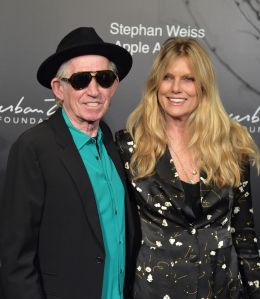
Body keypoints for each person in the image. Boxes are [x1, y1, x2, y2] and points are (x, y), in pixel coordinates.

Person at [116, 37, 260, 299]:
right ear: (155, 84)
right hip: (156, 290)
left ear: (203, 86)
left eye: (188, 79)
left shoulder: (232, 145)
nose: (176, 88)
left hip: (222, 290)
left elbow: (244, 235)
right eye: (167, 77)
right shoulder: (130, 147)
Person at [0, 27, 136, 299]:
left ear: (115, 85)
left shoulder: (113, 143)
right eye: (81, 80)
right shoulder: (34, 148)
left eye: (104, 79)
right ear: (59, 88)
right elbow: (16, 259)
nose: (94, 91)